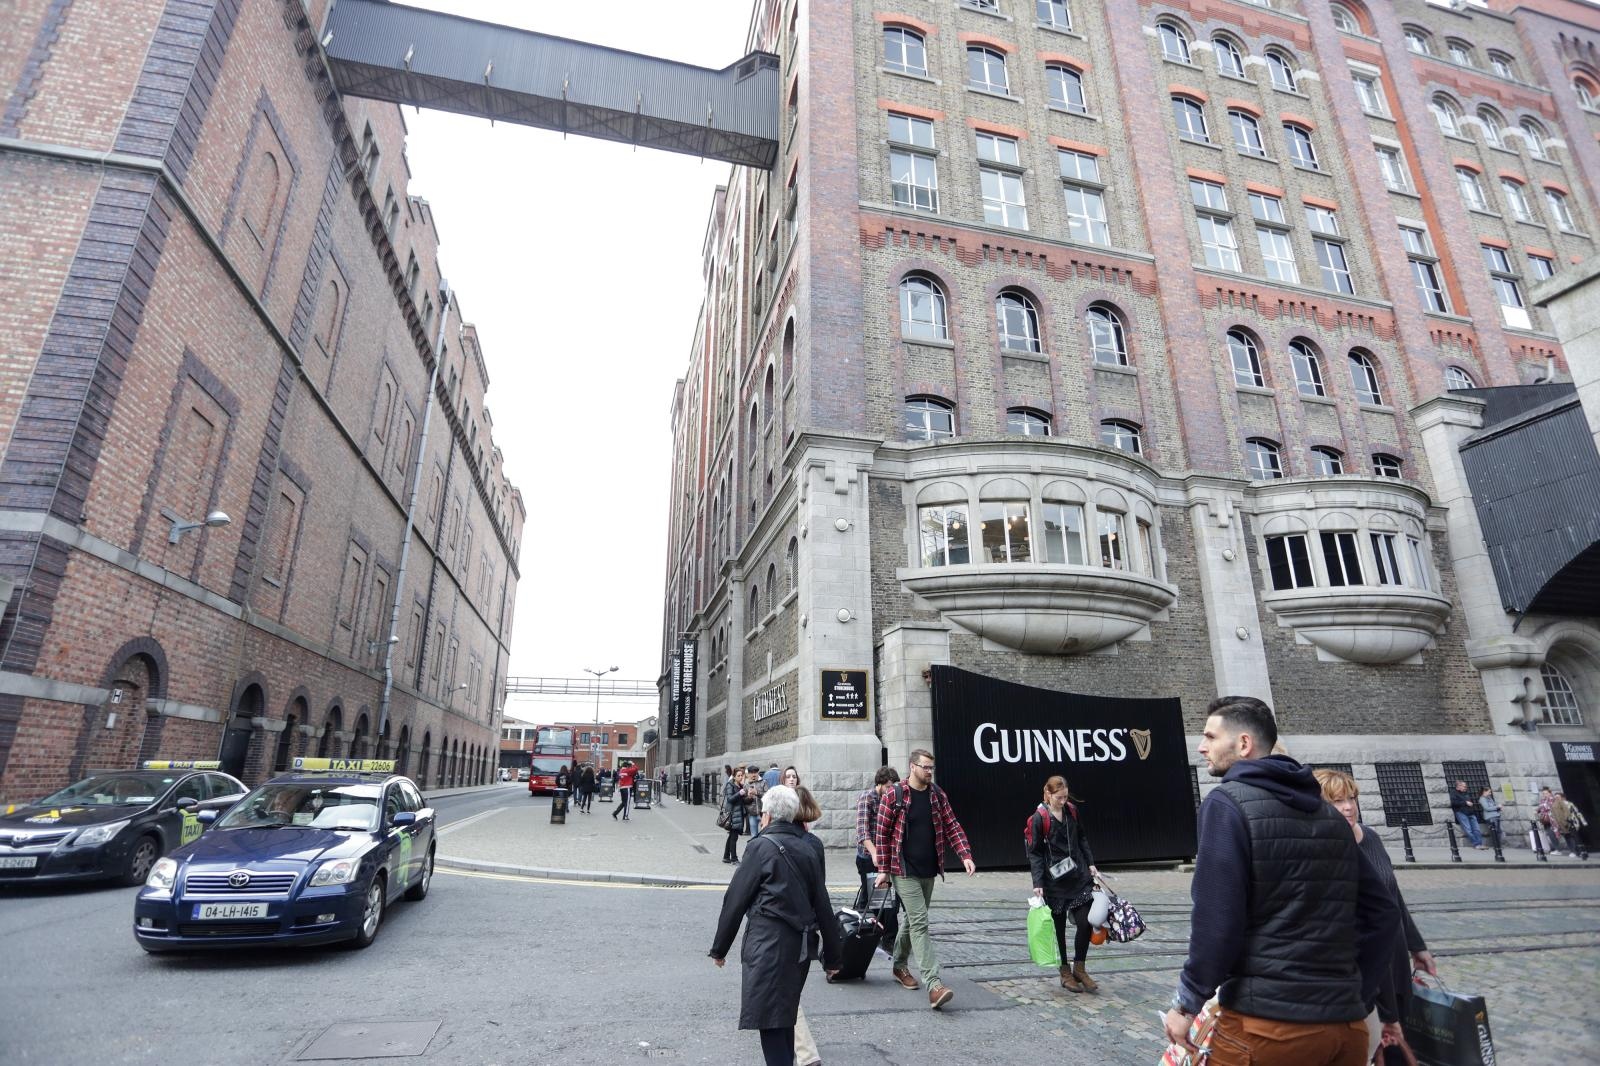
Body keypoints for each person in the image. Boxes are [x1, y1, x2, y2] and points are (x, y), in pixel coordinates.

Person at [1162, 696, 1399, 1065]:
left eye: (1210, 736)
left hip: (1267, 1029)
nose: (1201, 746)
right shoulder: (1330, 816)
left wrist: (1186, 1004)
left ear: (1243, 744)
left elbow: (1217, 920)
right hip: (1346, 1029)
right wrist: (1357, 994)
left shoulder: (1226, 803)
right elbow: (1383, 913)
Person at [709, 785, 842, 1066]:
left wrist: (719, 949)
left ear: (766, 815)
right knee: (785, 1015)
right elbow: (823, 903)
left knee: (770, 1020)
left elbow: (735, 899)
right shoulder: (809, 848)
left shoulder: (759, 847)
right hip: (800, 948)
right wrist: (833, 956)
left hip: (767, 945)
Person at [1314, 769, 1437, 1065]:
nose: (1348, 807)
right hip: (1365, 972)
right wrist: (1382, 1008)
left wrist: (1417, 946)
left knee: (1398, 1043)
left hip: (1394, 960)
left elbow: (1393, 897)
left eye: (1351, 798)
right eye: (1337, 801)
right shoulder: (1326, 851)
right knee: (1379, 1046)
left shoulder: (1370, 837)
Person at [874, 748, 976, 1010]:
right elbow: (882, 835)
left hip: (929, 869)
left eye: (932, 767)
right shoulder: (895, 795)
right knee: (920, 922)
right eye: (925, 767)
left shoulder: (937, 795)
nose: (930, 772)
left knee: (911, 920)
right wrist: (884, 869)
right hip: (902, 870)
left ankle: (898, 965)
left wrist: (964, 854)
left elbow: (952, 824)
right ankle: (934, 984)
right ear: (912, 767)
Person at [1027, 775, 1100, 994]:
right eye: (1059, 798)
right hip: (1054, 882)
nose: (1063, 801)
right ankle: (1065, 971)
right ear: (1049, 794)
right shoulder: (1039, 818)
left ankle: (1080, 967)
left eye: (1066, 797)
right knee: (1058, 929)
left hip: (1078, 877)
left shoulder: (1072, 811)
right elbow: (1035, 852)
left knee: (1086, 922)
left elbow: (1082, 838)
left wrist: (1091, 864)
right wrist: (1038, 882)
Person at [854, 767, 900, 905]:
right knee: (870, 897)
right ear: (879, 783)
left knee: (887, 899)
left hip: (887, 857)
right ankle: (861, 923)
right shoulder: (867, 797)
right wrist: (875, 853)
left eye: (893, 787)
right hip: (868, 856)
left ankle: (885, 925)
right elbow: (862, 831)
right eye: (888, 787)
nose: (891, 790)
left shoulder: (892, 800)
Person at [1448, 780, 1484, 850]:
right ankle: (1476, 844)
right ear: (1458, 786)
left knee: (1477, 829)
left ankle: (1480, 844)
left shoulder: (1466, 793)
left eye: (1466, 786)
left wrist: (1470, 804)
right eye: (1464, 786)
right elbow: (1453, 803)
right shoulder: (1453, 793)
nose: (1466, 787)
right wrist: (1465, 803)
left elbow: (1469, 801)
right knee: (1468, 830)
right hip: (1461, 813)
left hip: (1471, 813)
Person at [723, 768, 746, 864]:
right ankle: (734, 859)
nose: (740, 777)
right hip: (733, 814)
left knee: (731, 836)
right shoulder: (730, 785)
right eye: (738, 775)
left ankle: (726, 857)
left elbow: (742, 800)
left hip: (739, 814)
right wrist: (739, 794)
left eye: (742, 775)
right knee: (734, 837)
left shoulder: (741, 786)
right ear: (734, 776)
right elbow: (730, 799)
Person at [744, 764, 766, 839]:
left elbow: (768, 796)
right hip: (752, 814)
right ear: (749, 774)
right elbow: (744, 801)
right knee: (753, 836)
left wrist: (757, 793)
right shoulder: (746, 785)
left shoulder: (763, 782)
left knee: (764, 836)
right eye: (751, 773)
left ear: (758, 773)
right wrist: (749, 797)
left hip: (763, 813)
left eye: (755, 773)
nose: (753, 775)